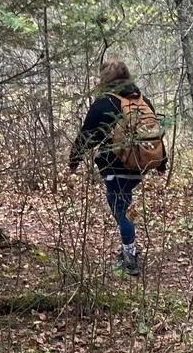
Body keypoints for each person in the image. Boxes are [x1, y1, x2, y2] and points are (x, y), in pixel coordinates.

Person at [69, 60, 167, 277]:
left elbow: (86, 137)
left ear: (105, 80)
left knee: (119, 209)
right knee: (124, 205)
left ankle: (129, 259)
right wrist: (161, 163)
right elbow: (154, 134)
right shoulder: (142, 101)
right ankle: (128, 249)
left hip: (114, 166)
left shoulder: (104, 104)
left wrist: (73, 161)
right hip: (140, 167)